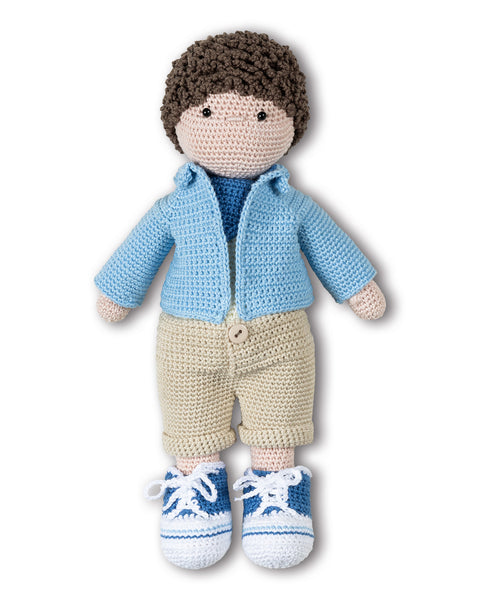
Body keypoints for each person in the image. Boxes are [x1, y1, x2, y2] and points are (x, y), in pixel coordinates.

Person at [95, 31, 386, 570]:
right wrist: (118, 293)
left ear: (291, 124)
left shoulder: (292, 206)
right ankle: (194, 490)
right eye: (207, 113)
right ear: (179, 122)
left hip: (279, 342)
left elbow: (331, 248)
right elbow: (139, 252)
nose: (236, 130)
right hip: (188, 342)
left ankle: (276, 492)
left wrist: (357, 288)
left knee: (279, 419)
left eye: (260, 116)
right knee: (190, 422)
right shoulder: (174, 208)